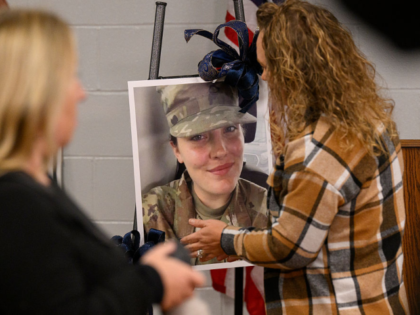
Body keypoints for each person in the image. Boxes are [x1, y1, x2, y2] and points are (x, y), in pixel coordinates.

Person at [181, 0, 409, 313]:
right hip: (378, 297)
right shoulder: (371, 119)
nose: (264, 77)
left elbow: (290, 247)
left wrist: (226, 239)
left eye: (269, 66)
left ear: (297, 70)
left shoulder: (318, 149)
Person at [0, 9, 204, 314]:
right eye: (70, 77)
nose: (80, 93)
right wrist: (151, 281)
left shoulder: (36, 187)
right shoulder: (15, 201)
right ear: (37, 92)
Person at [142, 82, 271, 265]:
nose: (220, 151)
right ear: (177, 151)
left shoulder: (272, 210)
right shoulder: (152, 211)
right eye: (198, 136)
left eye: (230, 129)